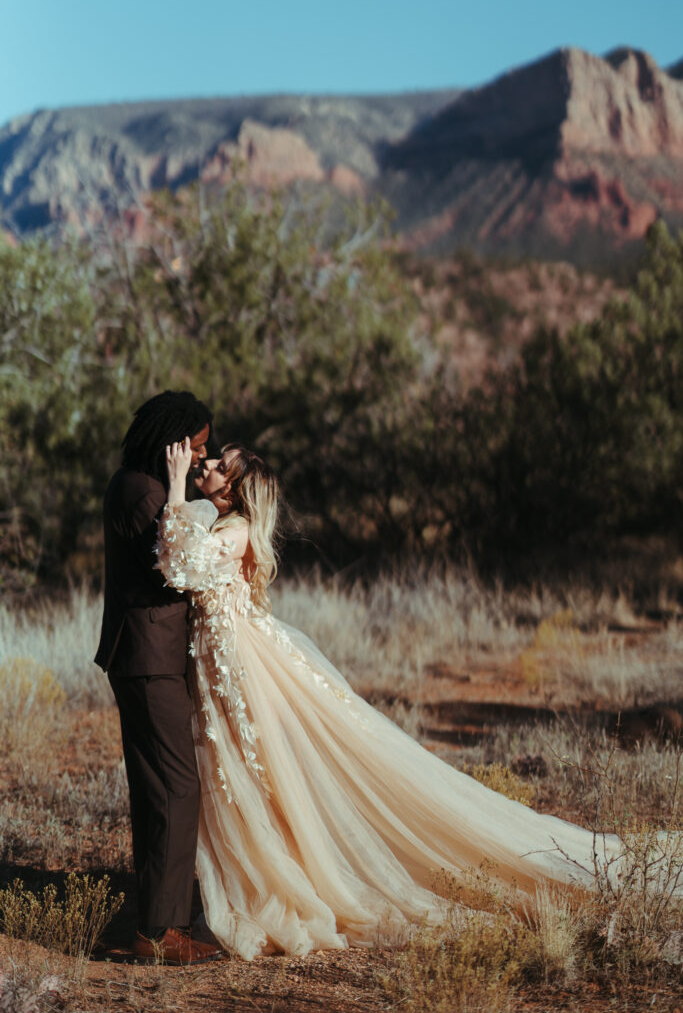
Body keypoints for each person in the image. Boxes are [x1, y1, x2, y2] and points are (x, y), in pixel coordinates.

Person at [156, 439, 636, 961]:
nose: (204, 464)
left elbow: (178, 565)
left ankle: (286, 880)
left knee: (254, 773)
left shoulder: (236, 529)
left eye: (215, 465)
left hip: (240, 669)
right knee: (244, 776)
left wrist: (177, 483)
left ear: (234, 491)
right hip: (223, 666)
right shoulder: (224, 521)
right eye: (206, 461)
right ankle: (269, 870)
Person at [95, 391, 223, 965]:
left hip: (151, 659)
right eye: (196, 447)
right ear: (170, 442)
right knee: (177, 786)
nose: (202, 459)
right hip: (147, 659)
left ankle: (155, 923)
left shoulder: (137, 485)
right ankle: (164, 932)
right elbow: (173, 564)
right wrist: (178, 487)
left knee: (157, 791)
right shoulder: (141, 490)